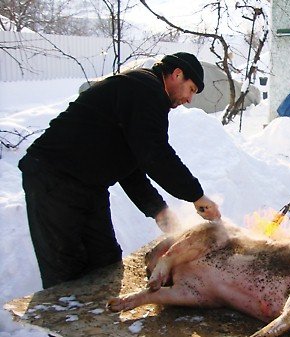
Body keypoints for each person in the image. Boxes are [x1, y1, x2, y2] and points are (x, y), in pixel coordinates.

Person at [19, 52, 222, 289]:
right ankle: (61, 322)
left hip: (89, 184)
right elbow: (155, 155)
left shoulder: (144, 95)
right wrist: (196, 196)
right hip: (54, 177)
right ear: (177, 74)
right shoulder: (144, 89)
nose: (189, 99)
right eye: (191, 89)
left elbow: (132, 168)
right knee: (65, 265)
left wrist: (160, 212)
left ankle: (97, 321)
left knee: (105, 259)